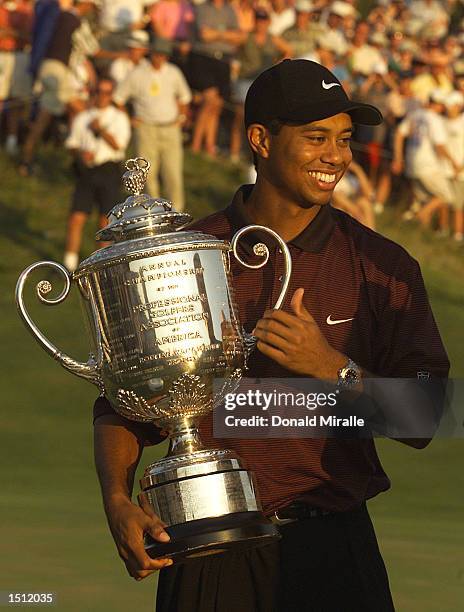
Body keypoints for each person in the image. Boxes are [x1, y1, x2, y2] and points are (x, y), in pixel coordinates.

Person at [93, 60, 449, 611]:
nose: (337, 155)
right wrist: (116, 499)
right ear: (261, 139)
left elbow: (427, 417)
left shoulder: (382, 266)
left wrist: (333, 368)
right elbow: (125, 399)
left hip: (333, 547)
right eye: (316, 138)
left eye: (345, 139)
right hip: (207, 547)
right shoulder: (184, 254)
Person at [113, 37, 192, 210]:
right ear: (151, 54)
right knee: (147, 174)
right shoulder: (137, 74)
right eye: (157, 54)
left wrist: (182, 118)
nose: (160, 58)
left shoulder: (173, 72)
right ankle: (153, 211)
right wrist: (129, 119)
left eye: (163, 55)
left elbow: (185, 97)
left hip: (170, 127)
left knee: (173, 173)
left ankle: (176, 212)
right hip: (146, 127)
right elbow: (118, 98)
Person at [63, 77, 131, 272]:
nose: (102, 97)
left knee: (105, 220)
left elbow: (118, 145)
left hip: (108, 169)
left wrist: (100, 130)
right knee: (77, 217)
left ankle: (102, 263)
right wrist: (80, 155)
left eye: (107, 93)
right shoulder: (83, 117)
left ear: (111, 95)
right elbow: (72, 144)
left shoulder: (119, 118)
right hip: (87, 171)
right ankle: (69, 264)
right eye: (99, 92)